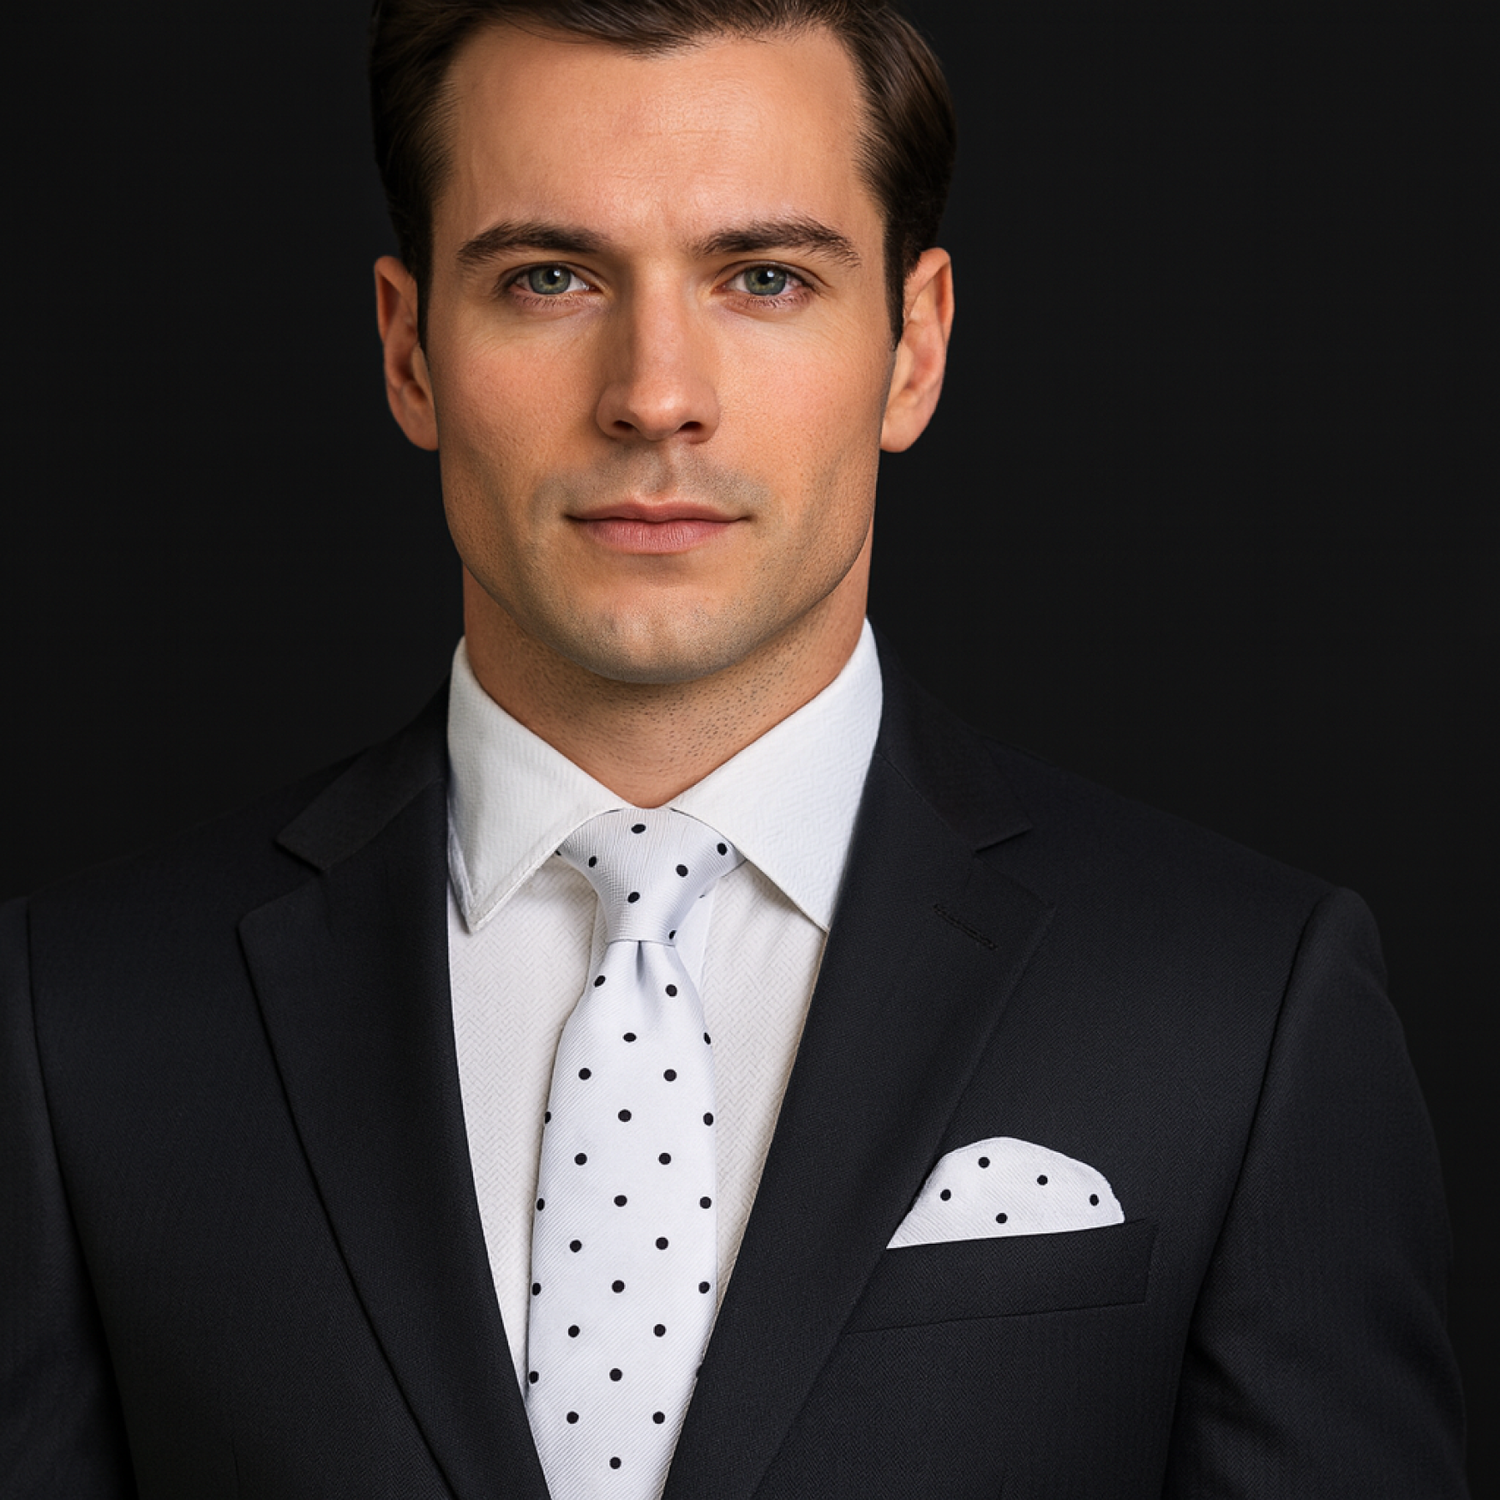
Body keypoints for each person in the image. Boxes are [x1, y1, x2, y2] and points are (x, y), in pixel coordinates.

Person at [1, 1, 1467, 1495]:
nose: (654, 393)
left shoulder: (1237, 1009)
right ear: (409, 350)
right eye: (549, 277)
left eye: (763, 277)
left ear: (914, 346)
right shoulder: (83, 1023)